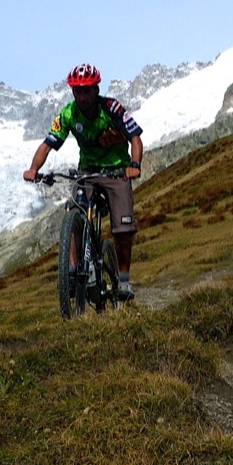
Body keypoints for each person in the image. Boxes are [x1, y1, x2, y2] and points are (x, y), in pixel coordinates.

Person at [23, 63, 144, 301]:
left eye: (87, 90)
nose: (82, 96)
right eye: (77, 91)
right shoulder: (68, 114)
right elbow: (48, 143)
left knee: (123, 227)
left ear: (96, 89)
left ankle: (124, 280)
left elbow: (135, 138)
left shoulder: (111, 108)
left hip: (116, 172)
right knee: (73, 212)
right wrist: (34, 169)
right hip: (87, 171)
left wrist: (134, 166)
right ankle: (70, 271)